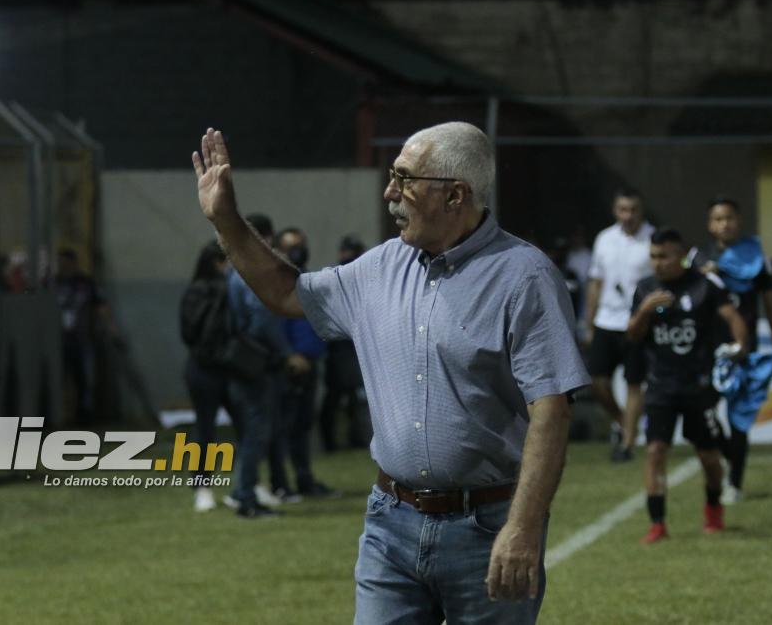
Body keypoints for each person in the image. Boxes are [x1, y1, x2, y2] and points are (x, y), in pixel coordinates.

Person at [192, 122, 588, 623]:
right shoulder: (380, 267)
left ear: (454, 195)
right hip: (390, 524)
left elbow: (551, 410)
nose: (389, 192)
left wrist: (524, 529)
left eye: (405, 179)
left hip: (487, 526)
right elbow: (286, 292)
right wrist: (226, 219)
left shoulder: (524, 277)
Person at [628, 228, 749, 543]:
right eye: (653, 257)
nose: (658, 263)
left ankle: (713, 510)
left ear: (679, 255)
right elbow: (633, 334)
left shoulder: (703, 287)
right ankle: (657, 523)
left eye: (664, 256)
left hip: (698, 386)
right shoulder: (645, 289)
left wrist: (739, 347)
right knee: (655, 450)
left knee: (708, 457)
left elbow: (733, 318)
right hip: (660, 387)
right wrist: (644, 310)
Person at [690, 196, 772, 504]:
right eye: (718, 219)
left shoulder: (756, 259)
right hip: (706, 349)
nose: (724, 224)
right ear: (709, 224)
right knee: (701, 410)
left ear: (739, 221)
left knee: (739, 417)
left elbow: (770, 306)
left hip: (743, 349)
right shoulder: (695, 257)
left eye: (729, 217)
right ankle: (728, 451)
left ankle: (735, 482)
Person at [221, 213, 311, 518]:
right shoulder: (250, 272)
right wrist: (287, 353)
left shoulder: (233, 270)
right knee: (257, 431)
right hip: (258, 364)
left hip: (244, 361)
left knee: (254, 430)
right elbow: (262, 319)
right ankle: (244, 497)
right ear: (265, 238)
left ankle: (244, 492)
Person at [584, 188, 654, 462]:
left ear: (641, 210)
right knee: (597, 382)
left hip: (638, 323)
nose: (628, 215)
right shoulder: (604, 239)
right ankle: (625, 422)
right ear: (616, 211)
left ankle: (625, 445)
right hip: (605, 321)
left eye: (633, 209)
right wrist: (589, 324)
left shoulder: (652, 239)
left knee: (634, 383)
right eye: (623, 209)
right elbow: (595, 282)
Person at [269, 226, 337, 500]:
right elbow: (273, 325)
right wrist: (288, 355)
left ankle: (304, 479)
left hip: (312, 363)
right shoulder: (275, 281)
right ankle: (280, 484)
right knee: (282, 427)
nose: (299, 250)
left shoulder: (308, 279)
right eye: (292, 246)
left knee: (303, 427)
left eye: (301, 244)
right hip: (288, 366)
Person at [179, 240, 238, 512]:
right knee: (210, 429)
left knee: (207, 429)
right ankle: (206, 486)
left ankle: (211, 487)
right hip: (215, 368)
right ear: (218, 263)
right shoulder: (218, 291)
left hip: (204, 368)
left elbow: (187, 333)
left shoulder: (194, 291)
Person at [319, 235, 370, 451]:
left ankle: (356, 438)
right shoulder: (339, 277)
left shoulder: (363, 276)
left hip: (354, 347)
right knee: (337, 398)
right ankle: (332, 441)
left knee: (354, 400)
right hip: (341, 347)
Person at [54, 248, 109, 425]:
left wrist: (107, 329)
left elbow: (100, 306)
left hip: (82, 338)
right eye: (60, 263)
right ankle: (59, 416)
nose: (63, 267)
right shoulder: (54, 282)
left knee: (85, 379)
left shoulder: (85, 282)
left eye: (65, 262)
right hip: (59, 340)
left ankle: (84, 416)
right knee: (60, 379)